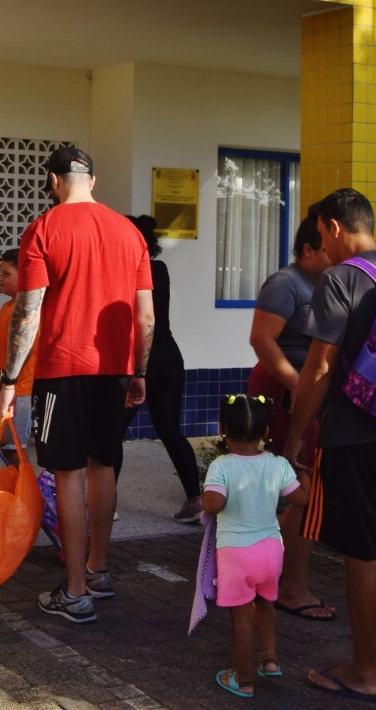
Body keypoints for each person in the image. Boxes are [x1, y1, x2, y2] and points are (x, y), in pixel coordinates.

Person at [0, 146, 154, 624]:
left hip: (62, 369)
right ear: (94, 179)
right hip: (115, 368)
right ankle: (98, 570)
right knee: (101, 463)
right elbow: (145, 315)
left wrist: (8, 377)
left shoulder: (43, 228)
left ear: (53, 179)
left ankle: (74, 591)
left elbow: (28, 309)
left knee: (66, 472)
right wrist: (140, 371)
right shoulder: (129, 231)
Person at [283, 188, 376, 700]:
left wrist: (296, 435)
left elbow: (318, 367)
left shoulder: (341, 280)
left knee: (362, 556)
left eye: (321, 236)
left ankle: (362, 670)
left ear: (335, 228)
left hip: (351, 435)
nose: (323, 246)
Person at [247, 210, 338, 622]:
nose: (335, 257)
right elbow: (261, 340)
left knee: (304, 491)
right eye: (326, 250)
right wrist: (297, 387)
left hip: (313, 397)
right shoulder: (286, 283)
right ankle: (289, 586)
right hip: (283, 397)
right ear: (307, 250)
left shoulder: (330, 284)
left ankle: (274, 578)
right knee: (303, 489)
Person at [202, 394, 308, 699]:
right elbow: (300, 500)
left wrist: (217, 495)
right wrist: (302, 472)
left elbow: (212, 504)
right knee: (265, 604)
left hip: (237, 554)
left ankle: (244, 679)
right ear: (265, 432)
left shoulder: (222, 466)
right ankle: (270, 660)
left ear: (223, 430)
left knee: (242, 620)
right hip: (272, 551)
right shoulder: (276, 465)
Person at [114, 214, 203, 524]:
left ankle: (104, 505)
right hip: (170, 359)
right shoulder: (160, 269)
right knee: (170, 430)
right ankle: (195, 500)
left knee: (114, 433)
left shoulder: (125, 272)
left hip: (140, 362)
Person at [0, 249, 31, 459]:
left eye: (6, 273)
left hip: (19, 391)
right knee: (3, 449)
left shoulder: (29, 311)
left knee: (14, 451)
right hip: (3, 389)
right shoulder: (6, 306)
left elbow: (23, 354)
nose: (0, 278)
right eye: (0, 273)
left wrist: (5, 383)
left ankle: (21, 492)